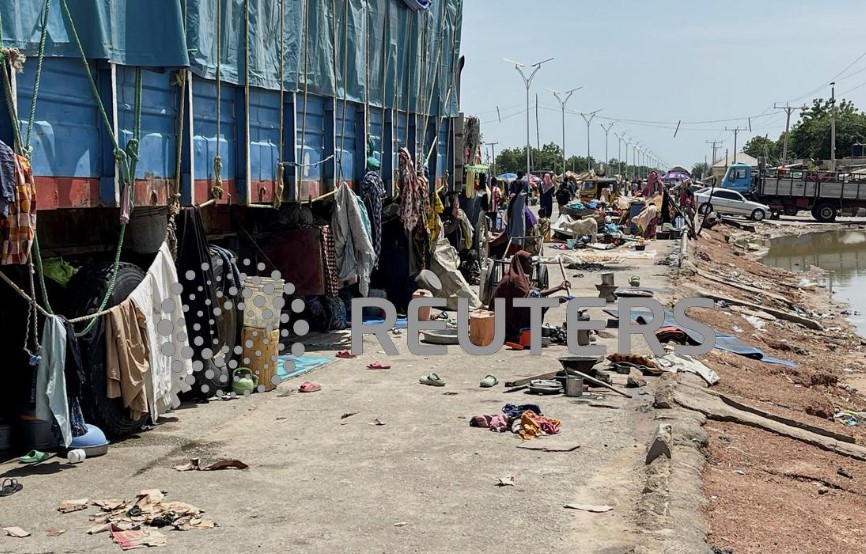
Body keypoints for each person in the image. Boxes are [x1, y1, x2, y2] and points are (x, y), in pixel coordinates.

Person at [489, 251, 570, 341]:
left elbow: (536, 292)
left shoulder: (518, 276)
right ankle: (518, 332)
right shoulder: (515, 280)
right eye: (529, 264)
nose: (531, 266)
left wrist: (559, 287)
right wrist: (555, 300)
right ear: (521, 264)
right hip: (506, 319)